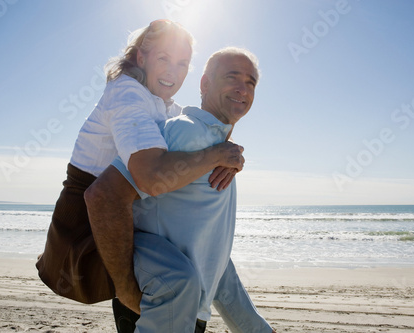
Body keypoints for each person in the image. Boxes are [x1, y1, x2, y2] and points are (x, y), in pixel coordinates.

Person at [36, 19, 246, 331]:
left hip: (126, 225)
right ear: (141, 58)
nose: (173, 72)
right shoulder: (127, 95)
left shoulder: (164, 107)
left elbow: (199, 132)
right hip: (87, 230)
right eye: (163, 59)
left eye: (182, 63)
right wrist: (215, 156)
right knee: (179, 279)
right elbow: (148, 177)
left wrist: (229, 149)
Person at [86, 47, 275, 332]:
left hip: (189, 313)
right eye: (232, 77)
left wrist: (255, 329)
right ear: (205, 84)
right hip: (158, 304)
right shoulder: (184, 131)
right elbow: (103, 195)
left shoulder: (222, 151)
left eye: (250, 82)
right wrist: (124, 289)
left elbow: (214, 260)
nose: (242, 88)